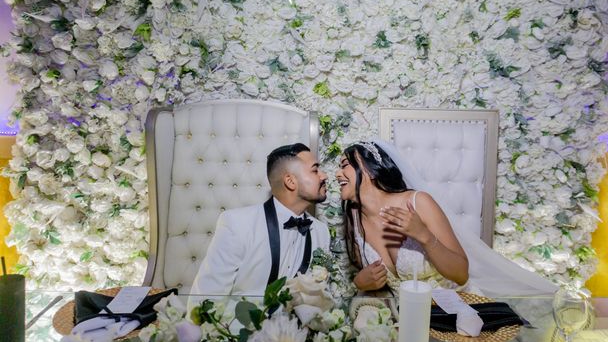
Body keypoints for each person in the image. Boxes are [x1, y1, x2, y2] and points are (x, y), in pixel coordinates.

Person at [338, 140, 558, 297]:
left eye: (344, 166)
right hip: (408, 321)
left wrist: (423, 235)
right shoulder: (355, 221)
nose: (337, 174)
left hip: (456, 310)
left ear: (370, 169)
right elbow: (376, 281)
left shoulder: (418, 203)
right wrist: (360, 282)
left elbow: (461, 274)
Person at [191, 143, 331, 297]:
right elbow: (206, 297)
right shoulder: (237, 224)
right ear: (290, 182)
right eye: (315, 170)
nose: (324, 176)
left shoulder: (321, 232)